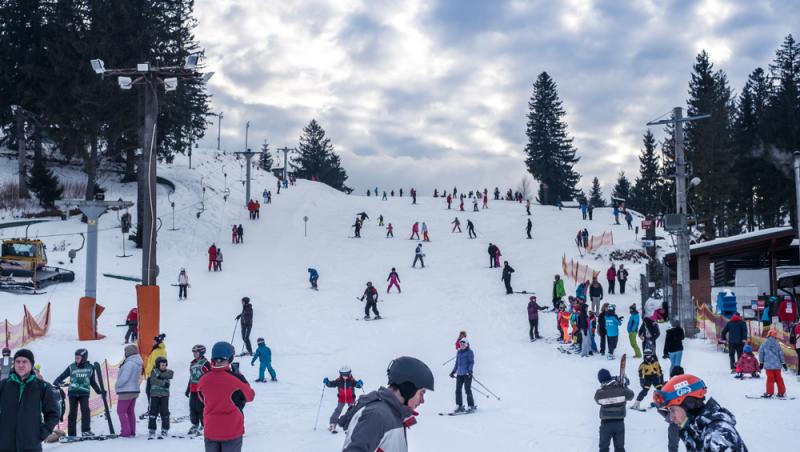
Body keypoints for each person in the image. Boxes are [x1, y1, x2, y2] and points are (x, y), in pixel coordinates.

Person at [339, 356, 433, 451]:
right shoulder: (377, 415)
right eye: (421, 393)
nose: (422, 401)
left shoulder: (393, 414)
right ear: (408, 388)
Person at [653, 374, 747, 451]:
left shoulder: (718, 434)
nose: (671, 417)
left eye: (673, 410)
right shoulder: (697, 430)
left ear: (689, 404)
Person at [197, 341, 255, 452]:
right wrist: (240, 376)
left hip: (211, 430)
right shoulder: (236, 378)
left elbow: (201, 398)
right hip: (232, 431)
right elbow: (250, 396)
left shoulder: (203, 379)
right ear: (230, 358)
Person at [0, 349, 59, 451]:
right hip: (5, 445)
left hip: (31, 446)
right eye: (18, 362)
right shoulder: (4, 385)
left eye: (24, 362)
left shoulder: (42, 387)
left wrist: (42, 433)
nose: (21, 365)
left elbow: (53, 414)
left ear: (31, 364)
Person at [53, 349, 104, 437]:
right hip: (73, 393)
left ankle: (86, 431)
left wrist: (99, 391)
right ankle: (72, 434)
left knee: (86, 411)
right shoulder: (71, 367)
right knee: (72, 413)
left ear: (84, 358)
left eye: (78, 358)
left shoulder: (90, 368)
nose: (76, 359)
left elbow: (92, 382)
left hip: (84, 393)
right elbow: (59, 379)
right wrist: (59, 383)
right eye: (75, 358)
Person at [594, 368, 634, 452]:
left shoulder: (600, 393)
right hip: (619, 423)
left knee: (603, 448)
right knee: (620, 448)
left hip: (605, 424)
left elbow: (597, 399)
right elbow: (631, 395)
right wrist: (624, 386)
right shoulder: (621, 389)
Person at [323, 366, 363, 433]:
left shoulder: (352, 380)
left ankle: (351, 426)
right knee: (338, 410)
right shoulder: (339, 380)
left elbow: (357, 385)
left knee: (352, 411)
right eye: (343, 375)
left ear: (349, 374)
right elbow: (332, 384)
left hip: (351, 399)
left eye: (346, 375)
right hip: (341, 399)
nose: (344, 376)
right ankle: (332, 424)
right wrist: (327, 383)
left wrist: (359, 384)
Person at [115, 344, 143, 438]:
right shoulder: (138, 363)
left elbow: (124, 378)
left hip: (126, 390)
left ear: (128, 353)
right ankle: (132, 431)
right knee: (130, 411)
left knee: (121, 411)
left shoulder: (129, 363)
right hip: (134, 389)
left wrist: (117, 385)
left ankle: (126, 432)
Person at [186, 344, 211, 436]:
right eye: (193, 352)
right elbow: (192, 376)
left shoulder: (205, 363)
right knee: (193, 407)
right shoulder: (193, 363)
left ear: (201, 352)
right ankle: (195, 424)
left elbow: (210, 375)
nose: (194, 354)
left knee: (201, 407)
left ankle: (204, 425)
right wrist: (188, 388)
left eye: (196, 352)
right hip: (193, 389)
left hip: (202, 389)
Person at [147, 357, 174, 439]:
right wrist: (163, 382)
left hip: (164, 396)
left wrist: (160, 376)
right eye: (162, 365)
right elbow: (153, 380)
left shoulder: (168, 372)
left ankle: (165, 429)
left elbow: (171, 374)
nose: (164, 366)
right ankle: (152, 429)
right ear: (158, 365)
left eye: (165, 365)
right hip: (155, 395)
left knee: (165, 412)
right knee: (153, 413)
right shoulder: (154, 371)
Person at [449, 338, 476, 412]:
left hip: (467, 374)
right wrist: (453, 371)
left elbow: (471, 362)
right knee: (458, 390)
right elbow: (457, 363)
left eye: (463, 344)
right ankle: (459, 405)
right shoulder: (459, 352)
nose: (462, 345)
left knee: (467, 390)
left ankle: (471, 406)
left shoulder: (470, 352)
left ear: (466, 344)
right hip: (459, 374)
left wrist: (470, 371)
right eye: (461, 344)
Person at [759, 329, 787, 398]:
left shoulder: (764, 343)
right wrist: (783, 363)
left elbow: (761, 353)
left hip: (769, 366)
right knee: (779, 379)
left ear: (768, 334)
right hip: (777, 365)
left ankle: (769, 393)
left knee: (770, 379)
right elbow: (781, 353)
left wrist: (761, 362)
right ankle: (782, 393)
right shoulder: (777, 343)